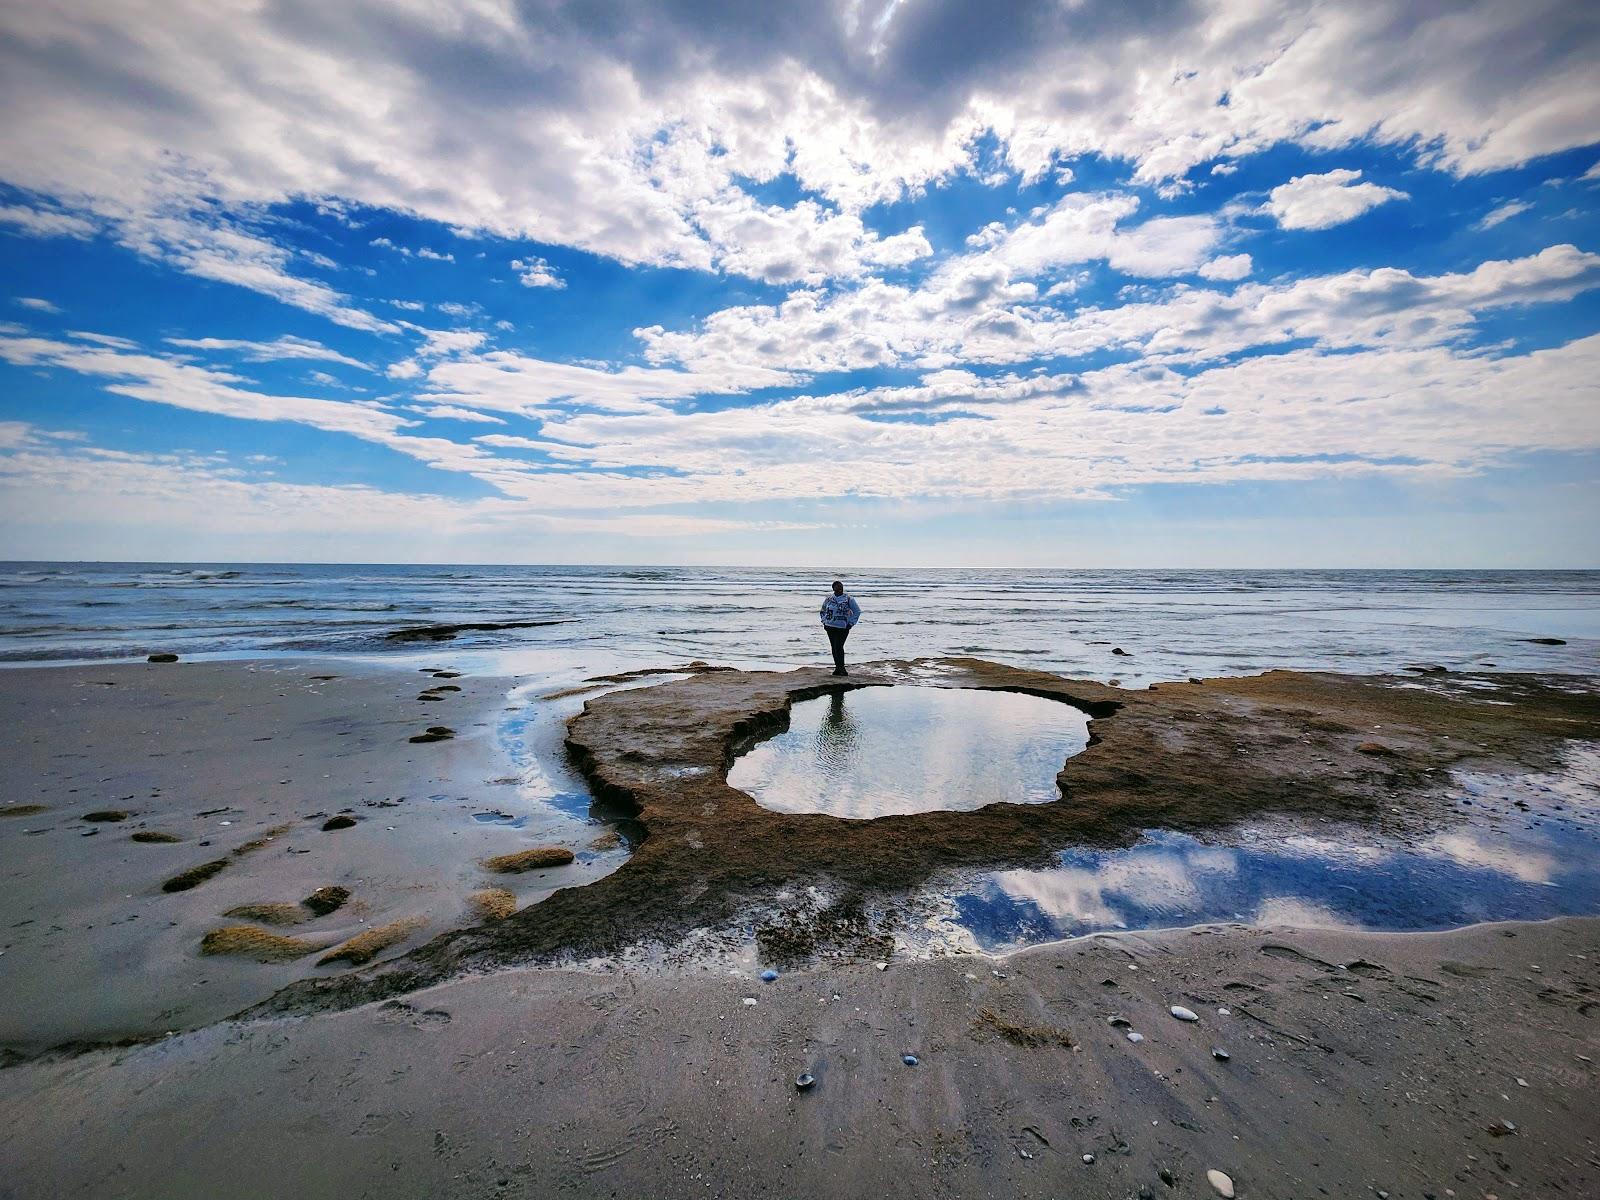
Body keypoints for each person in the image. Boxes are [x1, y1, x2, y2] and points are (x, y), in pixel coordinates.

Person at [819, 579, 861, 676]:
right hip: (830, 626)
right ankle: (837, 668)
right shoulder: (829, 599)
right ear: (833, 589)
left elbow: (857, 611)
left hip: (843, 627)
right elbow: (822, 611)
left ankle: (842, 668)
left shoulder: (848, 599)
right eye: (837, 589)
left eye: (841, 588)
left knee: (839, 646)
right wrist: (824, 621)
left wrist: (850, 623)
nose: (840, 590)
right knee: (834, 647)